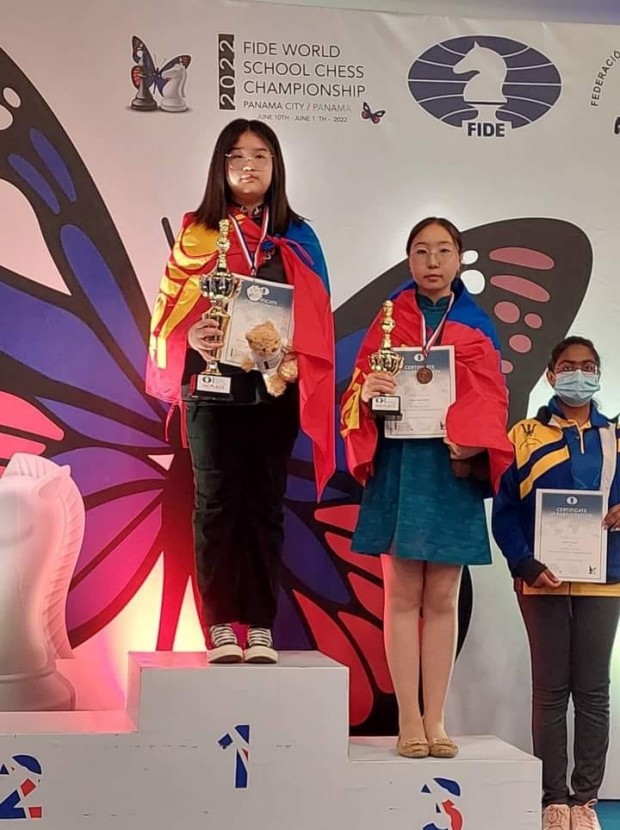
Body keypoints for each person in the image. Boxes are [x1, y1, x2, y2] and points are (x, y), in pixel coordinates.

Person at [146, 119, 334, 664]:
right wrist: (191, 335)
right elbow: (167, 313)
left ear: (276, 166)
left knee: (266, 505)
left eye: (260, 155)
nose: (248, 165)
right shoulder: (197, 234)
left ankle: (258, 626)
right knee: (215, 505)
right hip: (211, 391)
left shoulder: (299, 237)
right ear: (220, 166)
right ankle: (219, 627)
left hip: (273, 389)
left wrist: (293, 346)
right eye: (236, 155)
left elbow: (317, 314)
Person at [340, 217, 512, 759]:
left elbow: (493, 399)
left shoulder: (477, 327)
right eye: (421, 251)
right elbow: (356, 394)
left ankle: (436, 718)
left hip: (450, 470)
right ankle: (407, 719)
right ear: (409, 259)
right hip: (400, 467)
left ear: (458, 259)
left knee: (442, 598)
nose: (432, 262)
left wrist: (475, 443)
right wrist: (367, 391)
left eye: (443, 251)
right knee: (401, 596)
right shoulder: (388, 320)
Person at [492, 336, 620, 830]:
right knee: (549, 690)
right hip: (540, 579)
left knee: (593, 691)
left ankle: (584, 801)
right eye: (568, 366)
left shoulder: (616, 436)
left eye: (588, 366)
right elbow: (506, 511)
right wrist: (524, 563)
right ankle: (553, 800)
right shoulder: (523, 434)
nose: (578, 374)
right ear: (550, 375)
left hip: (603, 579)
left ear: (599, 374)